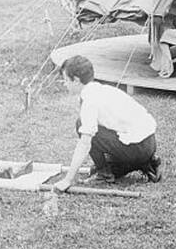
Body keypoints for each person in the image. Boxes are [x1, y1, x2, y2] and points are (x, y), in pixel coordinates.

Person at [53, 54, 161, 191]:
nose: (65, 84)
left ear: (76, 80)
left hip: (138, 147)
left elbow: (85, 143)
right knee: (98, 168)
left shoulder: (90, 100)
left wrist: (67, 179)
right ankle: (147, 163)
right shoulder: (103, 89)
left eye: (65, 80)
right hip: (150, 143)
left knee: (81, 124)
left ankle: (105, 174)